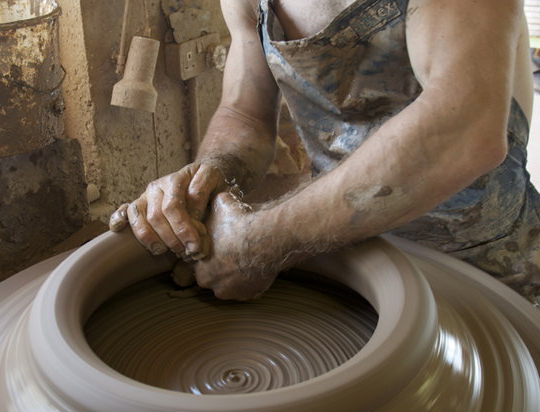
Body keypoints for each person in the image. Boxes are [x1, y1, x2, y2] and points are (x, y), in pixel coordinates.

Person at [110, 0, 540, 304]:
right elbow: (245, 114)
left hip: (480, 266)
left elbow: (464, 128)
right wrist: (210, 175)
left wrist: (260, 243)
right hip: (338, 251)